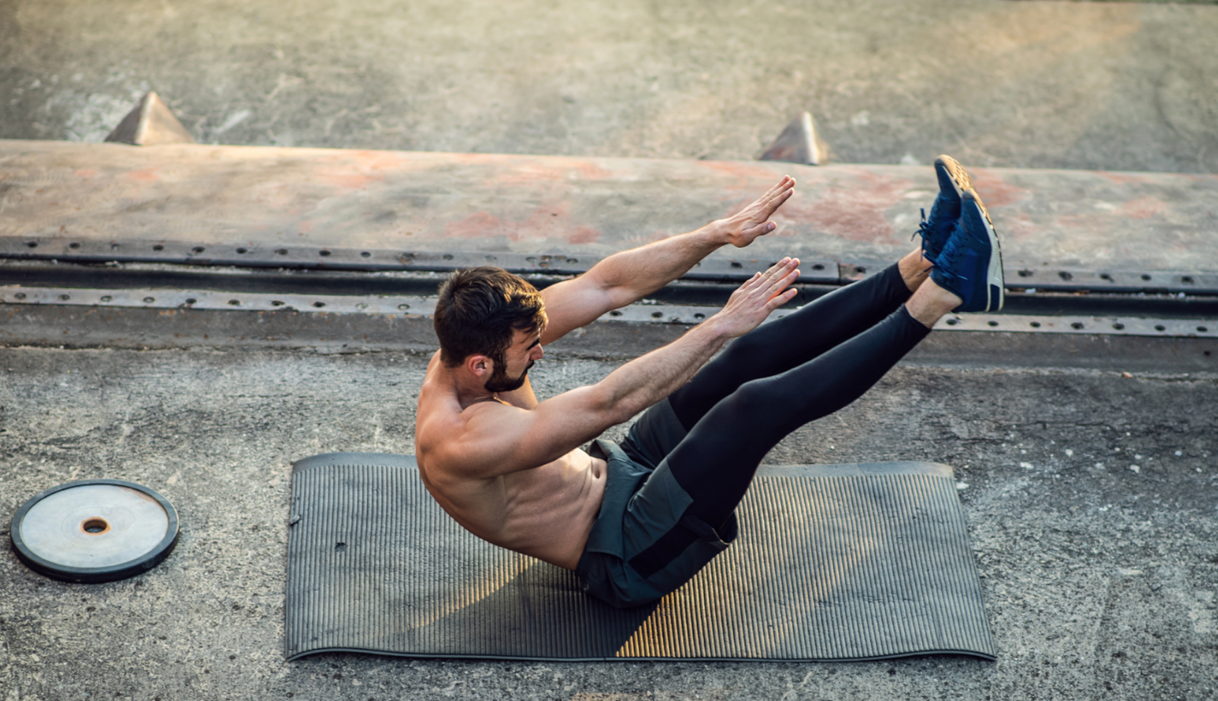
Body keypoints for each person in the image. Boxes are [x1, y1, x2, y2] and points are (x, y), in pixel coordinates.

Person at [415, 156, 1003, 608]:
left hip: (623, 468)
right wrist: (719, 323)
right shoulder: (462, 438)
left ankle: (924, 261)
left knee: (738, 363)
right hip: (625, 547)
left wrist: (715, 233)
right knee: (748, 407)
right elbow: (610, 401)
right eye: (530, 349)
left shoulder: (478, 335)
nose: (541, 350)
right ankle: (947, 293)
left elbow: (605, 285)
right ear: (481, 368)